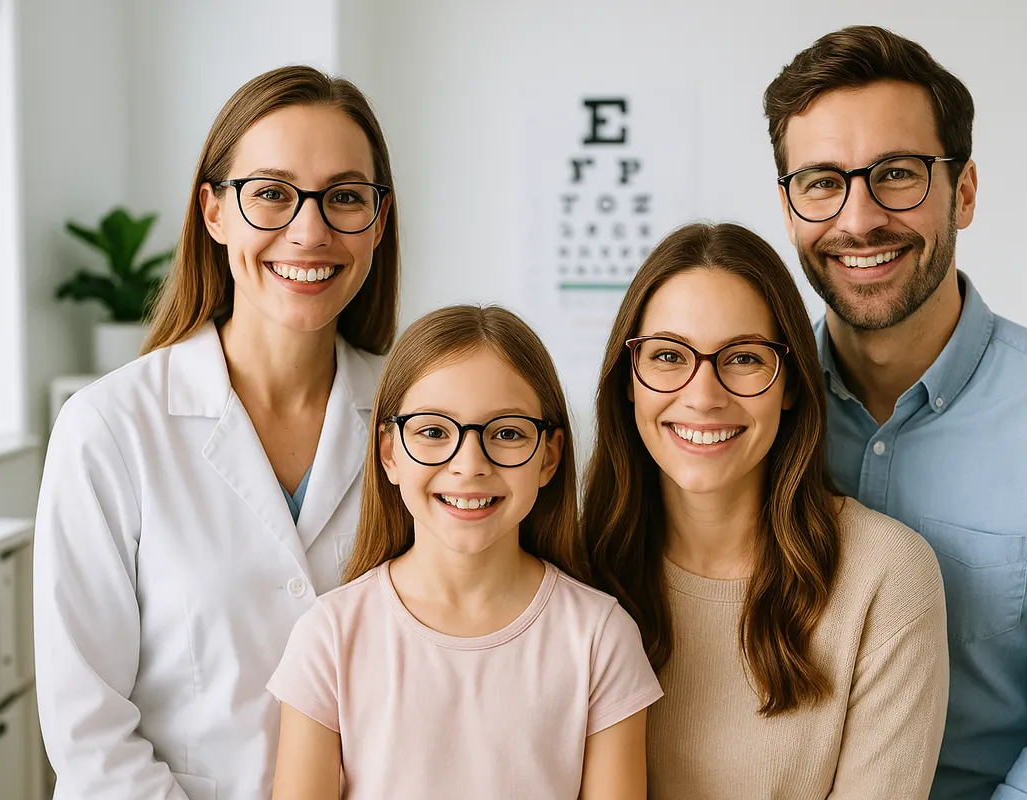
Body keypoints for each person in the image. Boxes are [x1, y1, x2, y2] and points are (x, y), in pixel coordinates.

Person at [764, 25, 1027, 800]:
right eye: (821, 181)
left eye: (896, 174)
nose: (857, 220)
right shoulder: (748, 412)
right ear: (788, 210)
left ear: (964, 193)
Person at [33, 65, 399, 800]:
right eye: (271, 193)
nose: (310, 230)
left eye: (345, 197)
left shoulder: (419, 422)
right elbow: (89, 732)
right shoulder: (111, 428)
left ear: (378, 222)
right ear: (214, 212)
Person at [583, 221, 948, 799]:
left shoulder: (887, 576)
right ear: (629, 379)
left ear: (792, 384)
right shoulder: (571, 569)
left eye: (745, 359)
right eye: (669, 356)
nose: (703, 396)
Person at [267, 304, 662, 800]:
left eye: (507, 433)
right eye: (434, 432)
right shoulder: (329, 636)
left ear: (550, 456)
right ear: (389, 453)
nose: (469, 464)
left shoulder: (600, 638)